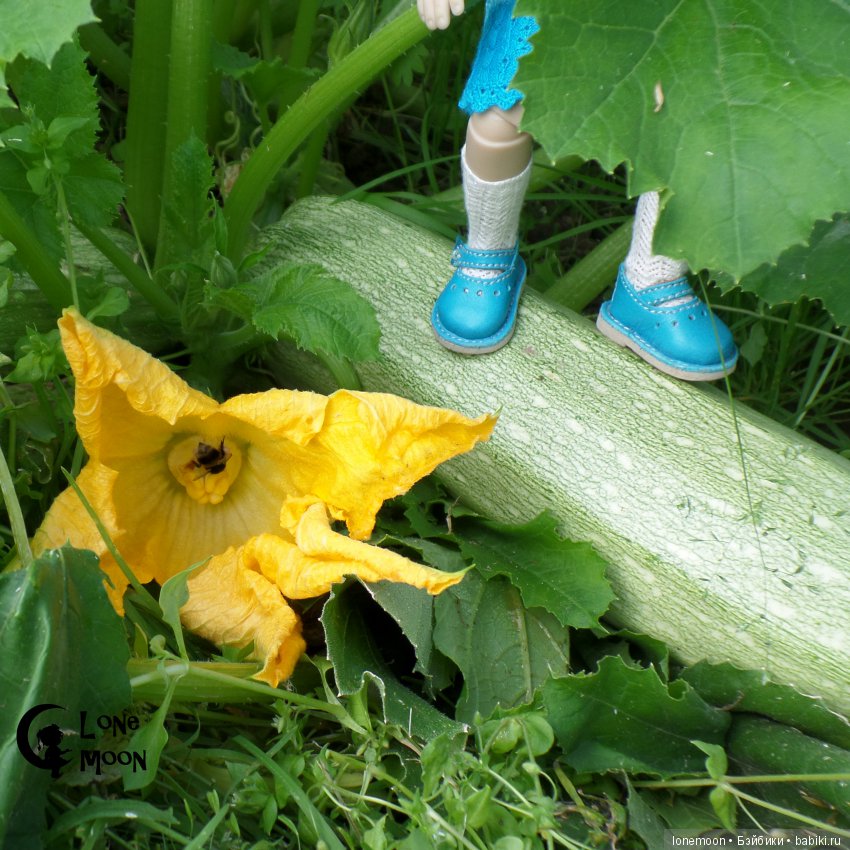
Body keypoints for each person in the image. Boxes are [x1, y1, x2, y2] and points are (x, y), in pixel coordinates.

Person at [417, 0, 739, 381]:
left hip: (659, 15)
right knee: (497, 122)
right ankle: (488, 253)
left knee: (686, 126)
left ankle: (652, 281)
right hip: (545, 13)